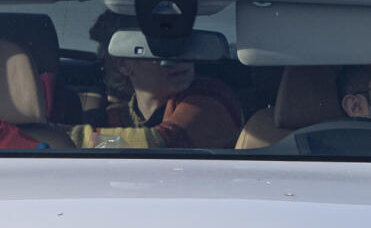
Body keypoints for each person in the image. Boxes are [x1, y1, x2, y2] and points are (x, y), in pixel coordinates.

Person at [69, 11, 242, 149]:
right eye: (158, 47)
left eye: (183, 43)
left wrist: (65, 137)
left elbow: (160, 143)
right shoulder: (113, 117)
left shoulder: (213, 98)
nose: (179, 57)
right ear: (123, 63)